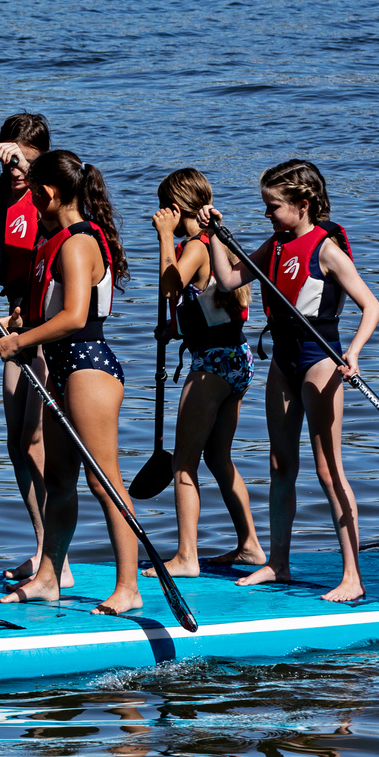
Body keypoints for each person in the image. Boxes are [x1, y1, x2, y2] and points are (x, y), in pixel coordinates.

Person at [200, 160, 379, 602]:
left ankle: (352, 576)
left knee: (328, 468)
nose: (267, 214)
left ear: (302, 205)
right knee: (280, 464)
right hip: (282, 357)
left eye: (273, 206)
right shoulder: (275, 244)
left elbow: (372, 307)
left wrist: (354, 352)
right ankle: (277, 563)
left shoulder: (326, 249)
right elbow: (227, 279)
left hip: (320, 356)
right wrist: (214, 237)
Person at [0, 150, 141, 616]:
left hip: (87, 368)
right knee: (59, 479)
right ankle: (48, 579)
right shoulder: (54, 239)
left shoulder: (78, 243)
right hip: (61, 368)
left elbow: (76, 315)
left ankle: (128, 587)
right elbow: (53, 308)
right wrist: (22, 318)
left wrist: (20, 341)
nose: (30, 204)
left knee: (106, 484)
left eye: (34, 195)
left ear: (49, 193)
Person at [146, 168, 265, 575]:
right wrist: (176, 328)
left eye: (166, 209)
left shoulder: (196, 244)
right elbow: (213, 304)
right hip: (236, 356)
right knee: (218, 457)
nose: (163, 215)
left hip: (212, 364)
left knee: (183, 462)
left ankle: (186, 556)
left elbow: (170, 288)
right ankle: (250, 546)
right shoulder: (219, 239)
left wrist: (164, 238)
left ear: (177, 207)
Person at [0, 112, 58, 585]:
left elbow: (52, 251)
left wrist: (21, 317)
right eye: (9, 156)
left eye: (25, 159)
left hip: (41, 324)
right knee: (16, 443)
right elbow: (8, 257)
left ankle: (56, 562)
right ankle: (42, 548)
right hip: (12, 324)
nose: (15, 167)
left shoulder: (50, 199)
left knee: (36, 442)